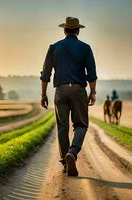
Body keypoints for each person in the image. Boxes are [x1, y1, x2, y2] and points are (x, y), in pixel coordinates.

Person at [40, 17, 97, 176]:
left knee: (62, 128)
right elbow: (91, 74)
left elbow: (45, 74)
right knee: (81, 125)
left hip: (61, 91)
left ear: (64, 30)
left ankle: (65, 163)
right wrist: (92, 92)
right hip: (78, 91)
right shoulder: (85, 48)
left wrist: (43, 94)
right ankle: (72, 153)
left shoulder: (54, 47)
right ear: (78, 30)